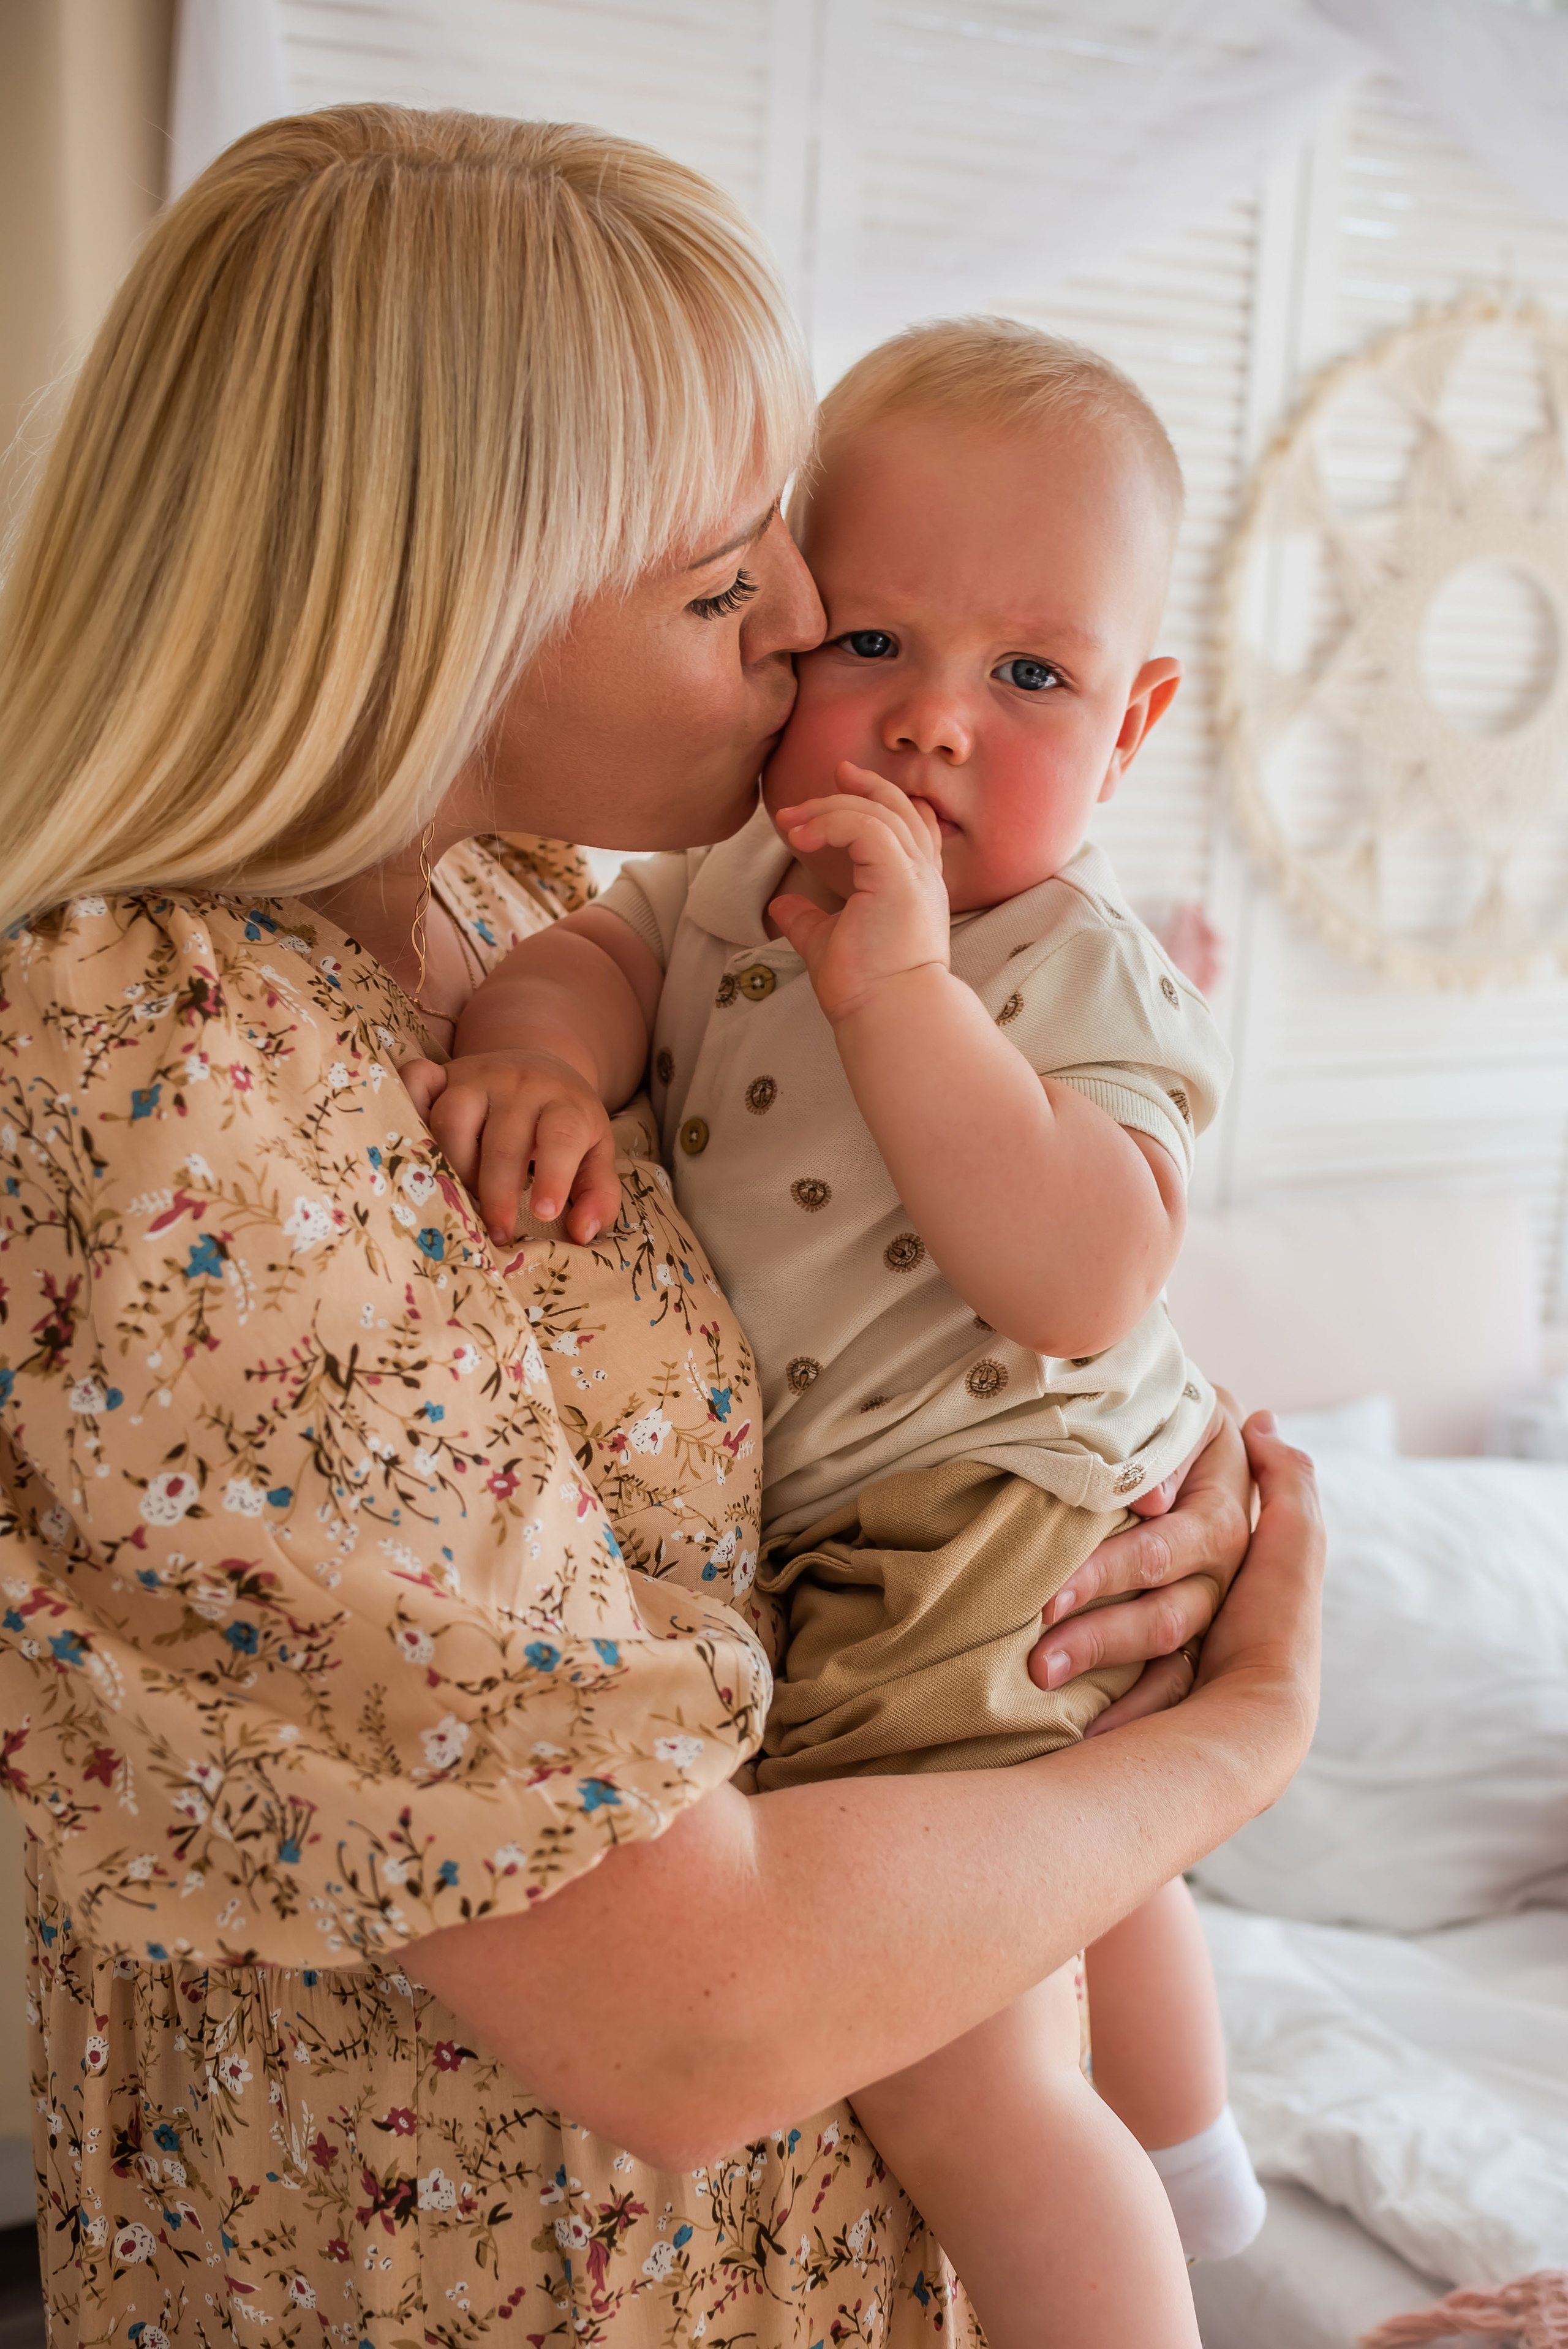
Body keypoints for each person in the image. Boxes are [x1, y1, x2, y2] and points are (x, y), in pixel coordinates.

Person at [0, 105, 1321, 2349]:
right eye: (741, 584)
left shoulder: (506, 899)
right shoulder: (177, 1093)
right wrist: (1231, 1731)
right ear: (446, 610)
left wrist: (1158, 1515)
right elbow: (678, 2013)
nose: (819, 638)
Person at [404, 317, 1265, 2340]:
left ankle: (1160, 2238)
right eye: (873, 646)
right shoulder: (721, 878)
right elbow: (587, 964)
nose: (934, 726)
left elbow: (1082, 1276)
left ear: (1131, 725)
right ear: (785, 633)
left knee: (971, 2066)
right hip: (896, 1520)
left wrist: (902, 996)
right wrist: (533, 1052)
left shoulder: (1071, 960)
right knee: (1101, 1860)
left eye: (1029, 675)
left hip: (989, 1507)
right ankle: (1207, 2165)